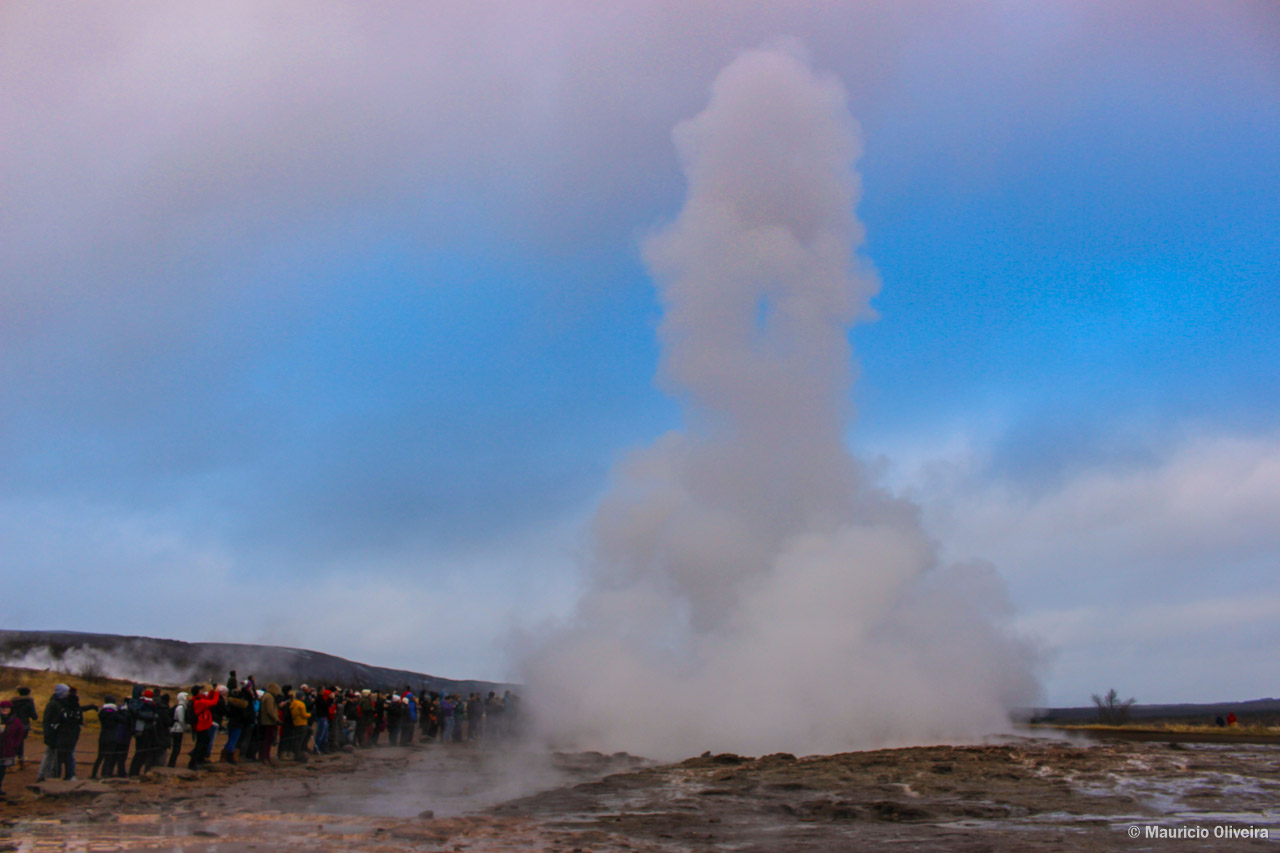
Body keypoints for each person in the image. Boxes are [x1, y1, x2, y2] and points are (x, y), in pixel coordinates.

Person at [36, 683, 70, 782]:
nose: (67, 694)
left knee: (56, 756)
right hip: (52, 734)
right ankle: (42, 775)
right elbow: (46, 721)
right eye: (66, 692)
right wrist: (48, 735)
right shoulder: (52, 704)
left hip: (60, 734)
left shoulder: (63, 703)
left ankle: (52, 776)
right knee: (49, 755)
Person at [92, 695, 128, 779]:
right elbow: (124, 720)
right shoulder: (115, 713)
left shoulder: (102, 712)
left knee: (99, 757)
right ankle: (105, 774)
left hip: (103, 736)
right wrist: (122, 711)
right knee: (108, 757)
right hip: (112, 737)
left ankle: (94, 774)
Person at [0, 700, 27, 797]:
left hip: (8, 749)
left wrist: (15, 745)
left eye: (7, 708)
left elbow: (20, 733)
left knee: (2, 770)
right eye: (3, 708)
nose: (4, 710)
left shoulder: (15, 720)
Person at [188, 687, 219, 770]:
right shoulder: (199, 702)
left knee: (205, 742)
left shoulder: (197, 700)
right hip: (201, 726)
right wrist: (216, 693)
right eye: (200, 690)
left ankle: (199, 759)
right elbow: (213, 702)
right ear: (198, 692)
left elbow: (207, 698)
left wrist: (212, 691)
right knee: (200, 744)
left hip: (201, 725)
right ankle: (193, 763)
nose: (202, 692)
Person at [11, 688, 37, 770]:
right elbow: (34, 716)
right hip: (24, 725)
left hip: (13, 724)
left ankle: (13, 762)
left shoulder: (13, 701)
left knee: (13, 742)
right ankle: (20, 762)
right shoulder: (29, 702)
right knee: (20, 743)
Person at [257, 683, 281, 766]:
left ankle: (262, 756)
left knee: (264, 740)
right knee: (268, 740)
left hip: (264, 721)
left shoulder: (265, 696)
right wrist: (276, 719)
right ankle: (265, 757)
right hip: (269, 722)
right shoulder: (270, 697)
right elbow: (270, 710)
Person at [168, 692, 191, 768]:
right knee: (176, 748)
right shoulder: (181, 708)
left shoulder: (181, 707)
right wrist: (185, 727)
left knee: (176, 748)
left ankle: (172, 763)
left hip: (177, 728)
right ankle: (171, 764)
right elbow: (181, 719)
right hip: (177, 729)